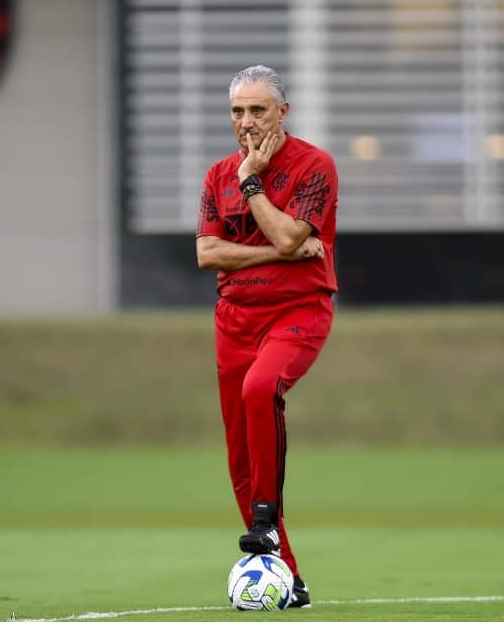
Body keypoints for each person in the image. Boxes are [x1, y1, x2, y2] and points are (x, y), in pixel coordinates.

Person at [196, 64, 338, 609]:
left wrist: (252, 182)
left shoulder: (313, 166)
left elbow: (287, 233)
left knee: (261, 390)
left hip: (297, 310)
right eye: (237, 111)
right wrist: (276, 251)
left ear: (283, 111)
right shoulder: (215, 176)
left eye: (258, 110)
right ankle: (289, 578)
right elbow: (208, 253)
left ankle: (264, 521)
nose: (247, 122)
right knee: (239, 459)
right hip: (235, 318)